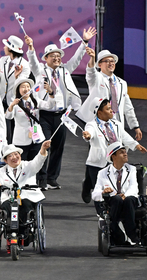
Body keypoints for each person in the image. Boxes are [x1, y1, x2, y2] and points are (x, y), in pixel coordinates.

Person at [25, 27, 96, 189]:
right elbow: (33, 61)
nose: (57, 59)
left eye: (59, 56)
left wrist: (84, 42)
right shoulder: (40, 71)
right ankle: (41, 179)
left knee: (58, 147)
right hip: (43, 115)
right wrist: (30, 48)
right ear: (46, 58)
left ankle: (52, 178)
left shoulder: (65, 71)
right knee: (44, 145)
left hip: (62, 115)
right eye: (53, 56)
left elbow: (77, 59)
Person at [81, 97, 146, 204]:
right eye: (108, 109)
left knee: (111, 186)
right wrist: (87, 135)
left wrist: (136, 145)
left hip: (113, 159)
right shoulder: (92, 124)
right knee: (99, 187)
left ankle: (109, 210)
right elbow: (90, 132)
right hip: (98, 161)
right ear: (99, 112)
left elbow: (124, 136)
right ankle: (98, 207)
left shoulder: (116, 124)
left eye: (111, 108)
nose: (112, 111)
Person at [0, 141, 51, 251]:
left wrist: (43, 149)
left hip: (26, 196)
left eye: (16, 154)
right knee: (7, 209)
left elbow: (38, 161)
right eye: (10, 156)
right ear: (5, 160)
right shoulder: (1, 171)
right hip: (9, 198)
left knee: (25, 207)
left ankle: (25, 233)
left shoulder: (27, 166)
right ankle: (10, 233)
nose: (14, 157)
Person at [92, 143, 141, 246]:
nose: (125, 154)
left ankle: (132, 235)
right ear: (113, 156)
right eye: (121, 152)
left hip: (129, 201)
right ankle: (116, 233)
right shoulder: (103, 173)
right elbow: (95, 194)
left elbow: (134, 187)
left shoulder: (131, 169)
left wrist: (125, 195)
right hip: (113, 203)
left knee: (128, 200)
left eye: (125, 152)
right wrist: (103, 192)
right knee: (117, 199)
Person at [5, 78, 61, 163]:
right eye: (23, 87)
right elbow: (9, 117)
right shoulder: (15, 104)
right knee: (22, 163)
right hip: (21, 140)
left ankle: (40, 177)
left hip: (37, 137)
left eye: (28, 86)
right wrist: (11, 106)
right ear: (18, 90)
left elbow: (49, 106)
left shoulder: (35, 101)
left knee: (37, 162)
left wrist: (51, 93)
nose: (26, 89)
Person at [0, 35, 30, 143]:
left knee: (11, 129)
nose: (4, 48)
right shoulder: (2, 60)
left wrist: (17, 76)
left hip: (13, 101)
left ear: (10, 48)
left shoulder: (25, 65)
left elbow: (22, 86)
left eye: (6, 46)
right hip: (0, 99)